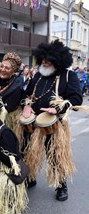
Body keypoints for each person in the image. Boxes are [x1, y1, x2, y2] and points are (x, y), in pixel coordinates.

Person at [21, 39, 83, 201]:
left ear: (58, 60)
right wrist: (27, 105)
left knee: (55, 155)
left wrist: (57, 108)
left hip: (55, 124)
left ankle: (61, 185)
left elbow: (76, 98)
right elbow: (27, 95)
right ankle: (31, 177)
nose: (45, 62)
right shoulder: (38, 76)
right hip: (34, 122)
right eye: (43, 59)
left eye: (50, 59)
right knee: (29, 153)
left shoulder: (69, 75)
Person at [0, 52, 23, 132]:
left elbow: (8, 107)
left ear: (13, 71)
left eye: (7, 68)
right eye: (1, 66)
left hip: (7, 121)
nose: (3, 70)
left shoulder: (16, 86)